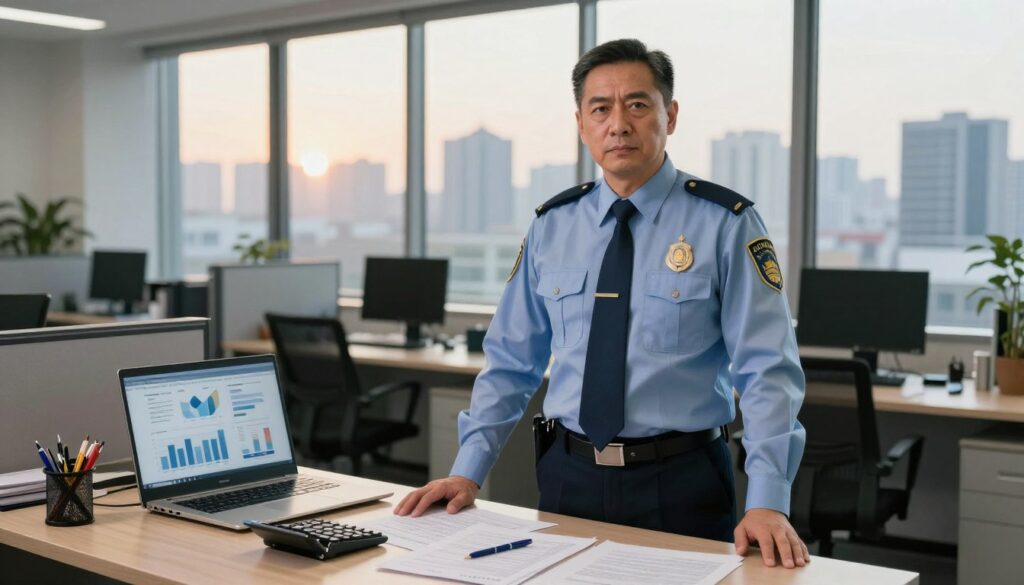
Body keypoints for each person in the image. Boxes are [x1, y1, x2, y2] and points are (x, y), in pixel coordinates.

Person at [396, 38, 809, 569]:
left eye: (638, 104)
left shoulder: (725, 223)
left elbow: (767, 369)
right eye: (601, 108)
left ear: (671, 115)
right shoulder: (553, 224)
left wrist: (769, 501)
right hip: (571, 478)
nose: (619, 124)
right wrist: (467, 469)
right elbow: (511, 361)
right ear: (582, 123)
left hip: (682, 480)